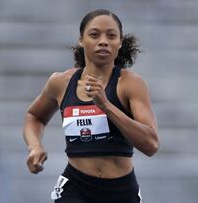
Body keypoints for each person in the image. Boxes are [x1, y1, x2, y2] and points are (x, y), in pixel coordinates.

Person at [23, 9, 159, 203]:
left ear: (119, 42)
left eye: (111, 36)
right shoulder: (60, 82)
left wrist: (106, 106)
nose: (103, 41)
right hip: (75, 187)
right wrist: (35, 146)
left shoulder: (130, 84)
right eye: (94, 35)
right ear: (81, 40)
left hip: (121, 191)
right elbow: (34, 116)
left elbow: (151, 145)